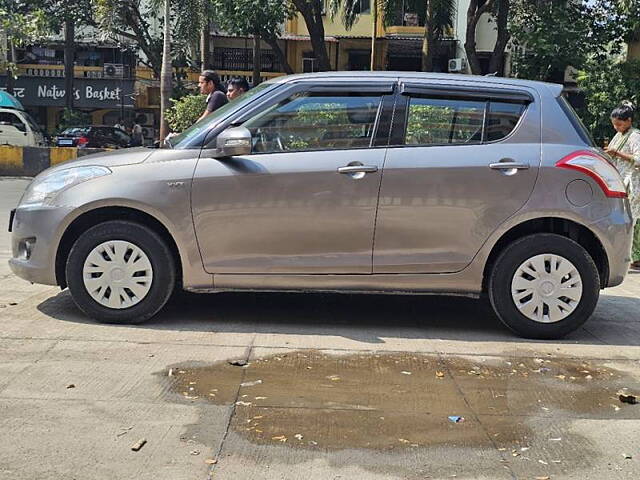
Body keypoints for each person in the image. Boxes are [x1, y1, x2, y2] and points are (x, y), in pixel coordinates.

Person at [604, 101, 640, 269]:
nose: (616, 127)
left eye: (619, 124)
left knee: (632, 220)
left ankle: (633, 257)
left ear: (629, 121)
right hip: (619, 182)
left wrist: (617, 153)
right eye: (614, 124)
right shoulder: (618, 136)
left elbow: (638, 158)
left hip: (633, 183)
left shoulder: (635, 136)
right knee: (623, 220)